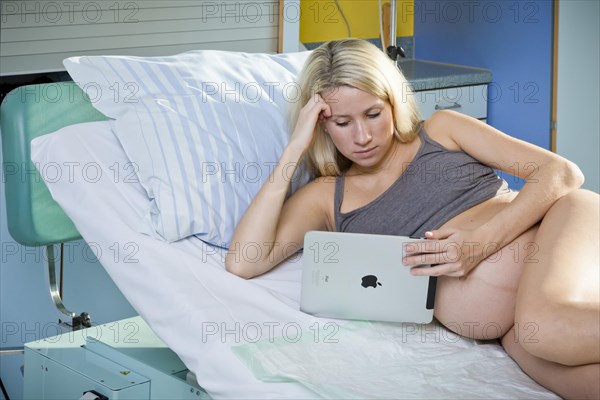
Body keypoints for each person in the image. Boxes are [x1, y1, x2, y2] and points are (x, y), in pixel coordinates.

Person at [225, 38, 599, 399]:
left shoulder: (443, 131)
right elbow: (244, 261)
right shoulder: (327, 197)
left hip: (563, 234)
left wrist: (478, 244)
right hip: (511, 325)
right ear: (321, 124)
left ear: (393, 102)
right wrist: (294, 149)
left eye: (373, 114)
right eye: (342, 123)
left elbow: (561, 174)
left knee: (544, 332)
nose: (363, 136)